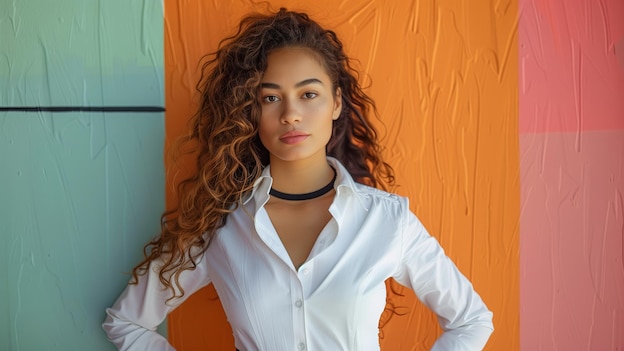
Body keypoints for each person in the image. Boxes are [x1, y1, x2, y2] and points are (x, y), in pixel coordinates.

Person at [102, 8, 494, 351]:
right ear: (249, 111)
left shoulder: (388, 221)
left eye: (308, 94)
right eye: (270, 98)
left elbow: (472, 320)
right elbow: (126, 322)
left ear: (336, 102)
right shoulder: (221, 223)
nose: (290, 114)